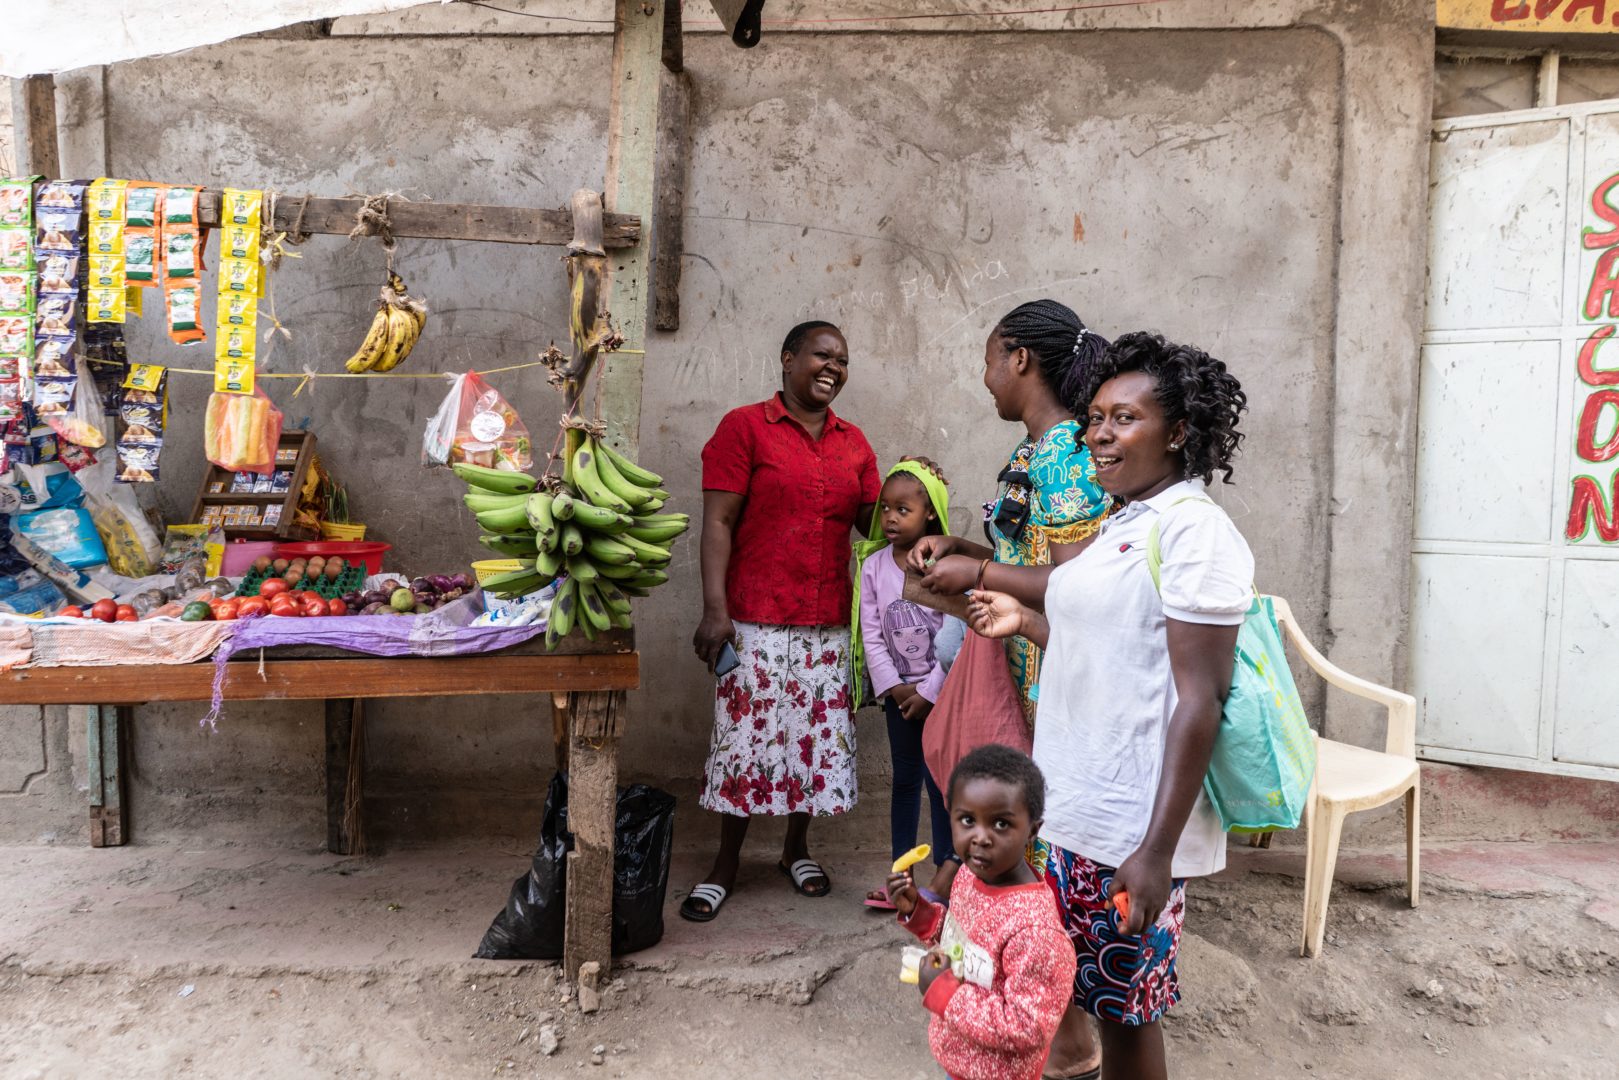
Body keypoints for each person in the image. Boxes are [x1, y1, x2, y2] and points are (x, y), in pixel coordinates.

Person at [965, 331, 1252, 1080]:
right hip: (1070, 815)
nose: (1098, 433)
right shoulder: (1126, 521)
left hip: (1128, 829)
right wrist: (1021, 619)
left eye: (1123, 418)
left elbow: (1201, 698)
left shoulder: (1195, 532)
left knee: (1127, 1022)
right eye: (1095, 416)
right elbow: (1108, 646)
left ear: (1179, 432)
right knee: (1062, 991)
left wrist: (1155, 853)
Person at [683, 320, 880, 922]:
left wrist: (916, 488)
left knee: (813, 745)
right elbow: (718, 523)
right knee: (744, 746)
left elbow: (875, 525)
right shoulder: (744, 429)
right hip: (754, 619)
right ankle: (726, 864)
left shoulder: (854, 444)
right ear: (788, 358)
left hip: (826, 622)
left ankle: (796, 850)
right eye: (822, 355)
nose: (833, 368)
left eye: (842, 360)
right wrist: (715, 610)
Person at [909, 299, 1113, 726]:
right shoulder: (1031, 449)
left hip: (1055, 678)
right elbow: (1029, 556)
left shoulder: (1068, 456)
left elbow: (1071, 582)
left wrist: (975, 573)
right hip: (1020, 669)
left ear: (1020, 360)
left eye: (988, 362)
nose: (986, 379)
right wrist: (956, 548)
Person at [887, 744, 1076, 1080]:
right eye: (967, 820)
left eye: (1001, 824)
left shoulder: (1037, 933)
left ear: (1033, 830)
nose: (980, 837)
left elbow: (1027, 1028)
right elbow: (958, 939)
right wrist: (919, 912)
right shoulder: (967, 876)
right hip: (960, 1062)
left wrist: (945, 993)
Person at [850, 457, 961, 910]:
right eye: (885, 509)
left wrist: (929, 691)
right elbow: (871, 632)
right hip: (898, 697)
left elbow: (956, 627)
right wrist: (895, 688)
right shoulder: (874, 566)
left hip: (939, 695)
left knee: (940, 786)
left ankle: (944, 881)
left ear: (930, 513)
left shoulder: (943, 564)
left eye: (903, 510)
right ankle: (901, 880)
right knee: (904, 783)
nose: (891, 519)